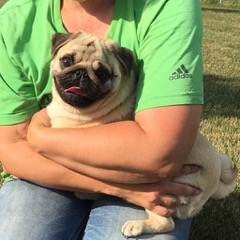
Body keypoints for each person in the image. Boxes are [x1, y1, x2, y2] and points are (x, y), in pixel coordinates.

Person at [0, 0, 203, 239]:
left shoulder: (164, 6)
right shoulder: (15, 19)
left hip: (147, 180)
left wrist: (39, 137)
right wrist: (118, 187)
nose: (79, 77)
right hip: (116, 179)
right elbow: (11, 150)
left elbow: (159, 153)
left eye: (100, 72)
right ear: (55, 50)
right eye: (68, 62)